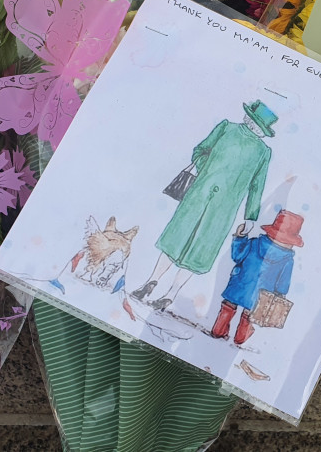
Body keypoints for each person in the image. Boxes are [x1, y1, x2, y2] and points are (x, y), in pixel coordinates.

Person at [130, 101, 277, 310]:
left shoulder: (263, 152)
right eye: (255, 123)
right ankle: (151, 282)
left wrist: (251, 217)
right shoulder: (226, 127)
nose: (254, 128)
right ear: (248, 118)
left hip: (223, 209)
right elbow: (200, 150)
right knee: (176, 238)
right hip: (199, 195)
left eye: (259, 126)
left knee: (200, 251)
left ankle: (170, 295)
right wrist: (205, 171)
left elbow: (257, 185)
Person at [210, 210, 303, 345]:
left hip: (240, 282)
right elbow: (283, 282)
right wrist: (280, 294)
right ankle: (240, 339)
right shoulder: (287, 259)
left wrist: (240, 237)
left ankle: (218, 331)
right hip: (262, 293)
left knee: (228, 306)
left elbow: (237, 256)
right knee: (250, 314)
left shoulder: (254, 243)